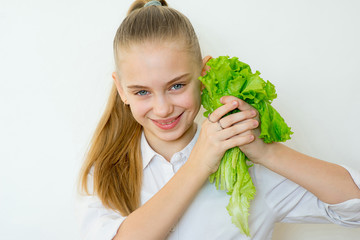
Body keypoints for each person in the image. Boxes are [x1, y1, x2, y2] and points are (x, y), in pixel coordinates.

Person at [76, 1, 360, 239]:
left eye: (176, 86)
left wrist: (267, 152)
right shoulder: (104, 173)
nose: (162, 109)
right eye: (142, 92)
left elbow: (354, 207)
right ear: (121, 90)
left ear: (203, 75)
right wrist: (199, 163)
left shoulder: (246, 167)